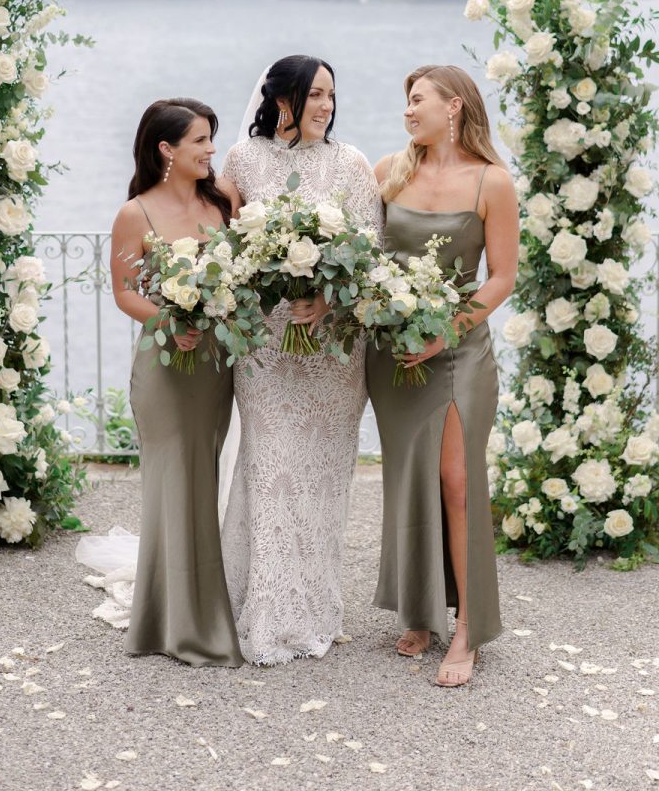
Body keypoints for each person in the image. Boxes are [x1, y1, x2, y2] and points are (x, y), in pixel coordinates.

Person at [219, 55, 383, 665]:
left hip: (335, 351)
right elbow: (228, 249)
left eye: (331, 95)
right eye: (315, 94)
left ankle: (317, 602)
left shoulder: (353, 164)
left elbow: (370, 254)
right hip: (267, 350)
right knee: (271, 468)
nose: (326, 105)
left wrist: (325, 295)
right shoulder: (244, 161)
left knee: (323, 476)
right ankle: (266, 609)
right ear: (283, 99)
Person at [366, 65, 518, 687]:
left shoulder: (493, 182)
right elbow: (359, 259)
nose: (407, 110)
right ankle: (421, 613)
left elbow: (501, 279)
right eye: (406, 101)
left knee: (456, 480)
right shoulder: (387, 173)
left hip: (457, 351)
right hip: (394, 355)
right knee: (408, 478)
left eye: (417, 100)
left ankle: (467, 630)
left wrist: (443, 333)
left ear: (453, 107)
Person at [104, 98, 243, 667]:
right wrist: (168, 320)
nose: (212, 150)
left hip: (214, 367)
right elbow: (124, 292)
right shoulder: (135, 213)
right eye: (201, 141)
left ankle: (198, 608)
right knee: (171, 483)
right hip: (164, 366)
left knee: (203, 477)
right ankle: (174, 622)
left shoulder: (225, 201)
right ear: (167, 149)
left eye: (212, 139)